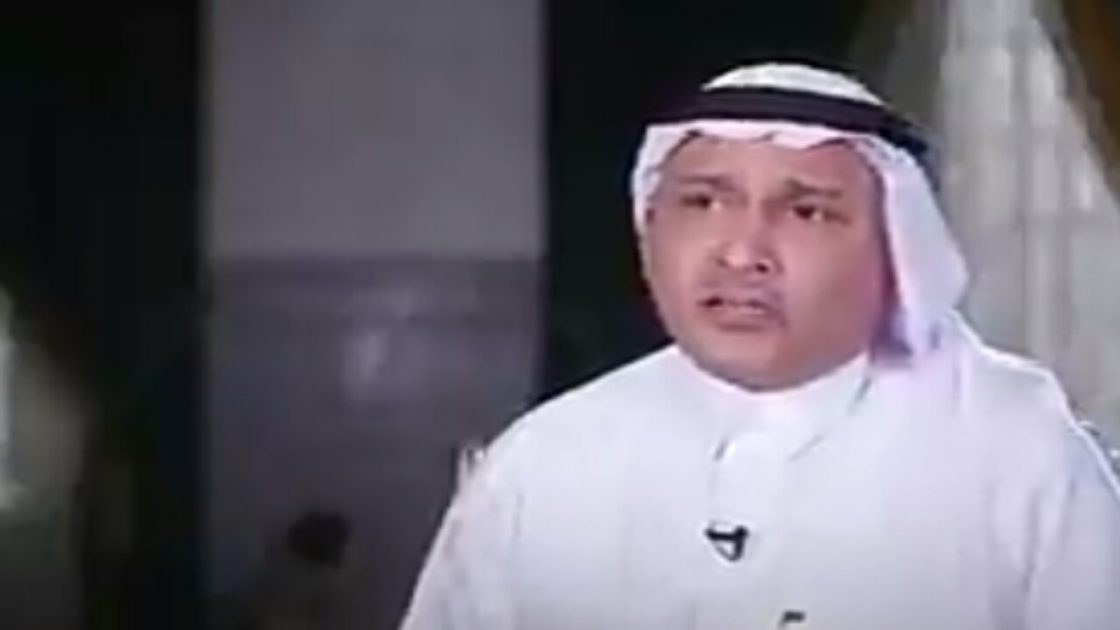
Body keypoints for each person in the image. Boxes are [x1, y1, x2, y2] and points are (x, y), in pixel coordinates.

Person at [399, 62, 1120, 629]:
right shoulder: (545, 459)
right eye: (703, 203)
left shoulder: (1022, 455)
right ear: (649, 232)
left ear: (898, 249)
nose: (742, 253)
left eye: (806, 211)